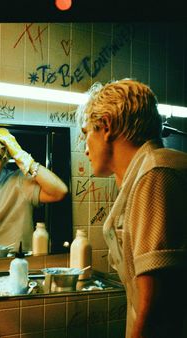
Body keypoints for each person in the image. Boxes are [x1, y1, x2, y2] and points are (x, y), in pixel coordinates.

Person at [76, 79, 187, 338]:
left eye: (86, 133)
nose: (85, 149)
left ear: (106, 126)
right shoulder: (151, 171)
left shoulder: (155, 175)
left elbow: (155, 311)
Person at [0, 125, 68, 254]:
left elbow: (59, 191)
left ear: (4, 161)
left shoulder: (18, 182)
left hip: (17, 269)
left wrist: (21, 156)